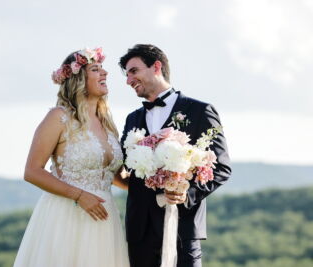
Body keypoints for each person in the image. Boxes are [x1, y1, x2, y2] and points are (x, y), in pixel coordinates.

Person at [13, 47, 129, 267]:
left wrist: (157, 181)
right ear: (78, 78)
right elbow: (32, 171)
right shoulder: (59, 117)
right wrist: (79, 195)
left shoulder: (108, 125)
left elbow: (110, 175)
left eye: (103, 69)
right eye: (96, 69)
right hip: (66, 215)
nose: (105, 74)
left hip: (103, 219)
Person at [118, 44, 231, 267]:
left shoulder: (200, 111)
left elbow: (221, 168)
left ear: (156, 66)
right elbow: (124, 168)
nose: (129, 80)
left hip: (182, 228)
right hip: (140, 232)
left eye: (134, 71)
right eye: (127, 74)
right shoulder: (132, 119)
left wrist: (186, 194)